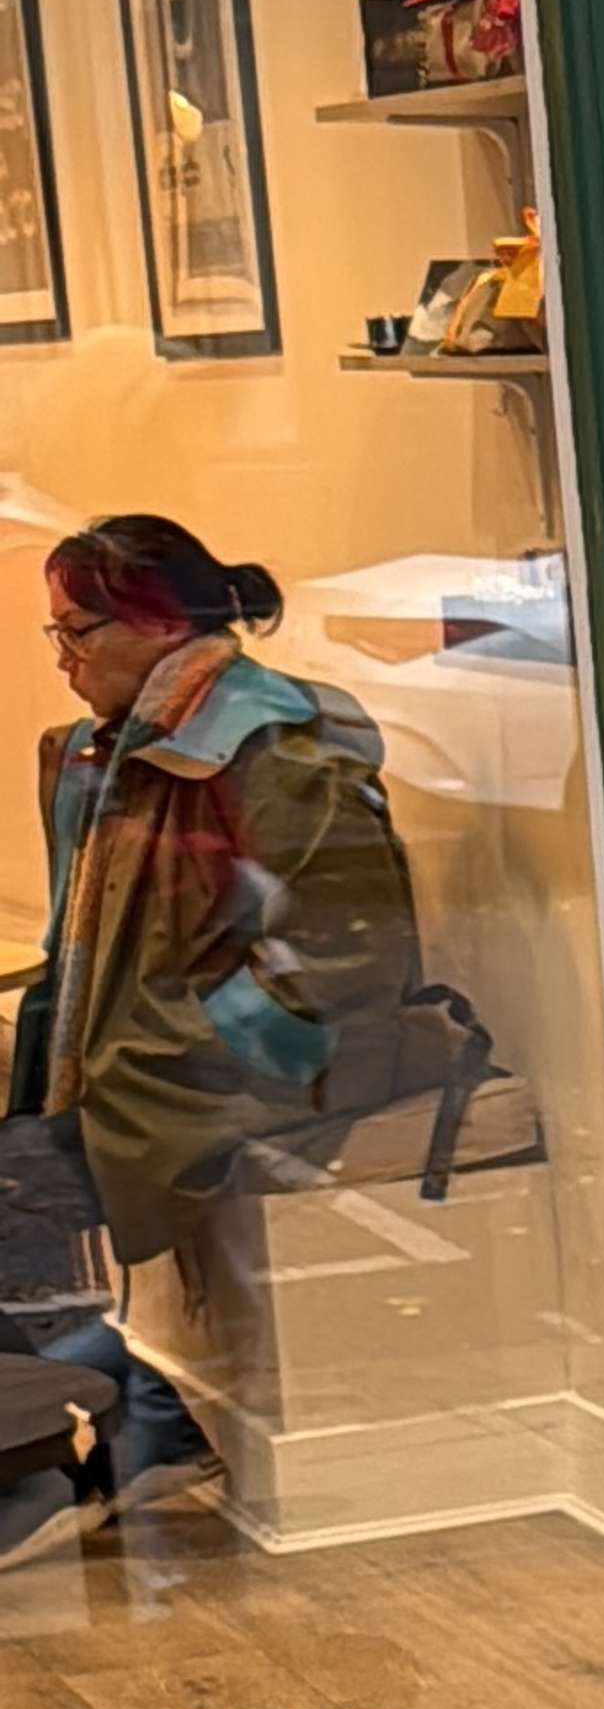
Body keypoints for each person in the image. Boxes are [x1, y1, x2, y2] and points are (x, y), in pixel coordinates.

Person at [2, 516, 420, 1548]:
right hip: (142, 1064)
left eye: (77, 632)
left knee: (14, 1202)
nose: (61, 659)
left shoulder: (269, 741)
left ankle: (66, 1462)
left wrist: (199, 1046)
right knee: (20, 1187)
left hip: (235, 1074)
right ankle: (129, 1426)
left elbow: (351, 948)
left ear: (154, 623)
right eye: (53, 634)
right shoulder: (109, 744)